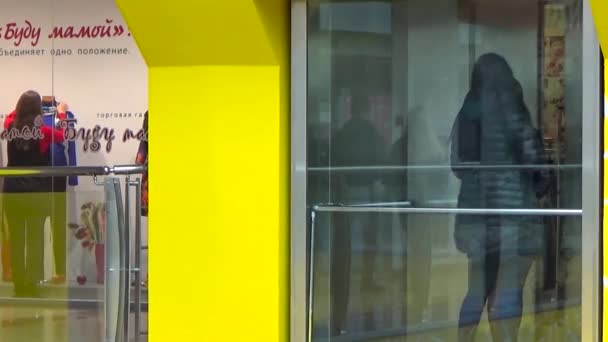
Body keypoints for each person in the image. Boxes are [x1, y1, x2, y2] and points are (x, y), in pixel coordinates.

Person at [450, 53, 547, 341]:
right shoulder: (513, 109)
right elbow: (536, 168)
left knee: (476, 290)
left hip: (474, 217)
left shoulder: (466, 111)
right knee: (507, 294)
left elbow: (457, 166)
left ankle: (464, 339)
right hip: (511, 217)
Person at [330, 92, 386, 335]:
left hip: (346, 192)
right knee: (369, 239)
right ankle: (367, 277)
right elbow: (380, 160)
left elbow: (336, 160)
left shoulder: (343, 132)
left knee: (346, 244)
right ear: (366, 109)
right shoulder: (371, 132)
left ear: (352, 109)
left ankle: (345, 283)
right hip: (368, 189)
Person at [2, 90, 67, 297]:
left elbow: (12, 116)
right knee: (35, 238)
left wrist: (21, 108)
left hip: (13, 191)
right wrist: (62, 113)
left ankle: (19, 284)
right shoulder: (44, 131)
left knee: (17, 239)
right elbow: (62, 135)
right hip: (37, 191)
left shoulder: (9, 126)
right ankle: (32, 283)